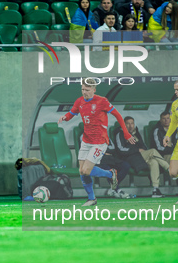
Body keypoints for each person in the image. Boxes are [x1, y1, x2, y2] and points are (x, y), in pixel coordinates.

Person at [58, 78, 135, 207]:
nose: (84, 92)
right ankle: (92, 198)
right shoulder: (79, 101)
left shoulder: (102, 101)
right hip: (86, 141)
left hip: (100, 141)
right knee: (82, 171)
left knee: (86, 170)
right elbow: (72, 113)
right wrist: (65, 117)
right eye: (82, 89)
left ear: (94, 89)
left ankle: (110, 173)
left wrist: (126, 134)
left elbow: (118, 116)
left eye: (87, 90)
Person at [117, 116, 170, 197]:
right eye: (127, 124)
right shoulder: (120, 134)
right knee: (152, 151)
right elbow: (121, 150)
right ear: (123, 125)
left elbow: (144, 147)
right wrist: (137, 150)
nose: (130, 126)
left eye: (132, 123)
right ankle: (169, 168)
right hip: (130, 158)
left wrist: (142, 150)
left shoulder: (136, 133)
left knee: (154, 162)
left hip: (140, 157)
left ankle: (155, 189)